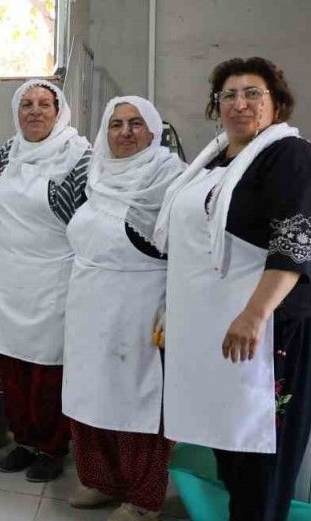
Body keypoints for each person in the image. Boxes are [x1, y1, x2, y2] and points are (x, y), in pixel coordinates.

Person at [153, 58, 311, 521]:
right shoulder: (212, 161)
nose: (240, 103)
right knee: (229, 443)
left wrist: (255, 314)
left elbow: (296, 242)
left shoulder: (291, 156)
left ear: (277, 104)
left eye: (253, 93)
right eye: (229, 95)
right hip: (217, 322)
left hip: (272, 324)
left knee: (261, 451)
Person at [62, 96, 184, 521]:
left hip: (142, 306)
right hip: (88, 304)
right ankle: (101, 480)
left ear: (154, 132)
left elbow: (188, 253)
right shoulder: (95, 175)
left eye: (136, 124)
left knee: (137, 400)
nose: (125, 132)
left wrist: (174, 308)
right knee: (90, 396)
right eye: (116, 124)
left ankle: (143, 498)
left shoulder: (172, 178)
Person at [0, 79, 91, 482]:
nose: (35, 111)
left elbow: (87, 220)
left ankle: (52, 447)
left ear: (59, 112)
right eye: (27, 104)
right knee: (12, 367)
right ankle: (23, 440)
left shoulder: (80, 157)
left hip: (54, 277)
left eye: (44, 104)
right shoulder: (7, 153)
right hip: (7, 275)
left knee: (49, 371)